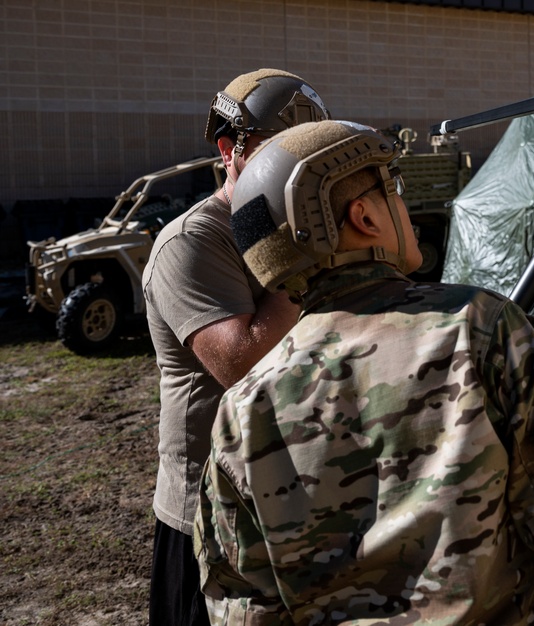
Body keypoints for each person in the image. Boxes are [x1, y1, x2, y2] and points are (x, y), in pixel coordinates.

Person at [193, 119, 534, 625]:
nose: (403, 203)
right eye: (392, 189)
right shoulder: (479, 330)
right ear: (363, 216)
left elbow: (243, 606)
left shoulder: (243, 408)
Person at [142, 69, 330, 626]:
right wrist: (299, 257)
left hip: (305, 503)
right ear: (230, 150)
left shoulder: (308, 224)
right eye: (279, 152)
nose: (297, 170)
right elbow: (243, 363)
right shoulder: (193, 242)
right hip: (212, 517)